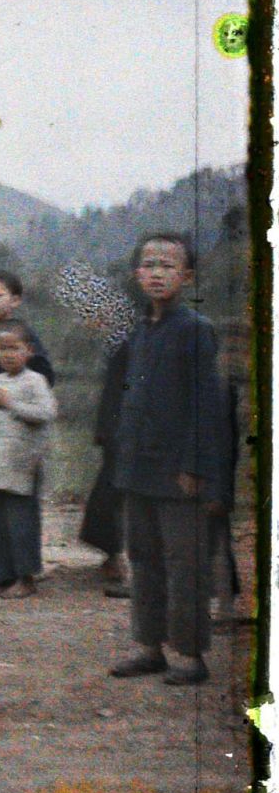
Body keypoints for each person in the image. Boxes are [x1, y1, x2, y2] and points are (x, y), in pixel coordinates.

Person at [109, 232, 226, 686]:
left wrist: (195, 466)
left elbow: (207, 405)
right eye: (149, 265)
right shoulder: (141, 331)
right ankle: (150, 648)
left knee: (185, 565)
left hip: (179, 474)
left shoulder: (196, 329)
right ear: (137, 273)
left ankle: (192, 657)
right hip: (137, 469)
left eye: (168, 266)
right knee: (143, 558)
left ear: (188, 276)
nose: (157, 273)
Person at [0, 321, 56, 597]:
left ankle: (26, 578)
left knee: (21, 524)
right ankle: (2, 578)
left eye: (14, 348)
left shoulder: (35, 381)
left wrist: (9, 403)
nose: (8, 354)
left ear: (29, 351)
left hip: (23, 464)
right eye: (2, 348)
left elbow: (45, 413)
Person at [80, 331, 133, 597]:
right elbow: (114, 389)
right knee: (110, 493)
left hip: (151, 432)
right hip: (120, 431)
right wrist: (106, 429)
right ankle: (114, 554)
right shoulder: (126, 345)